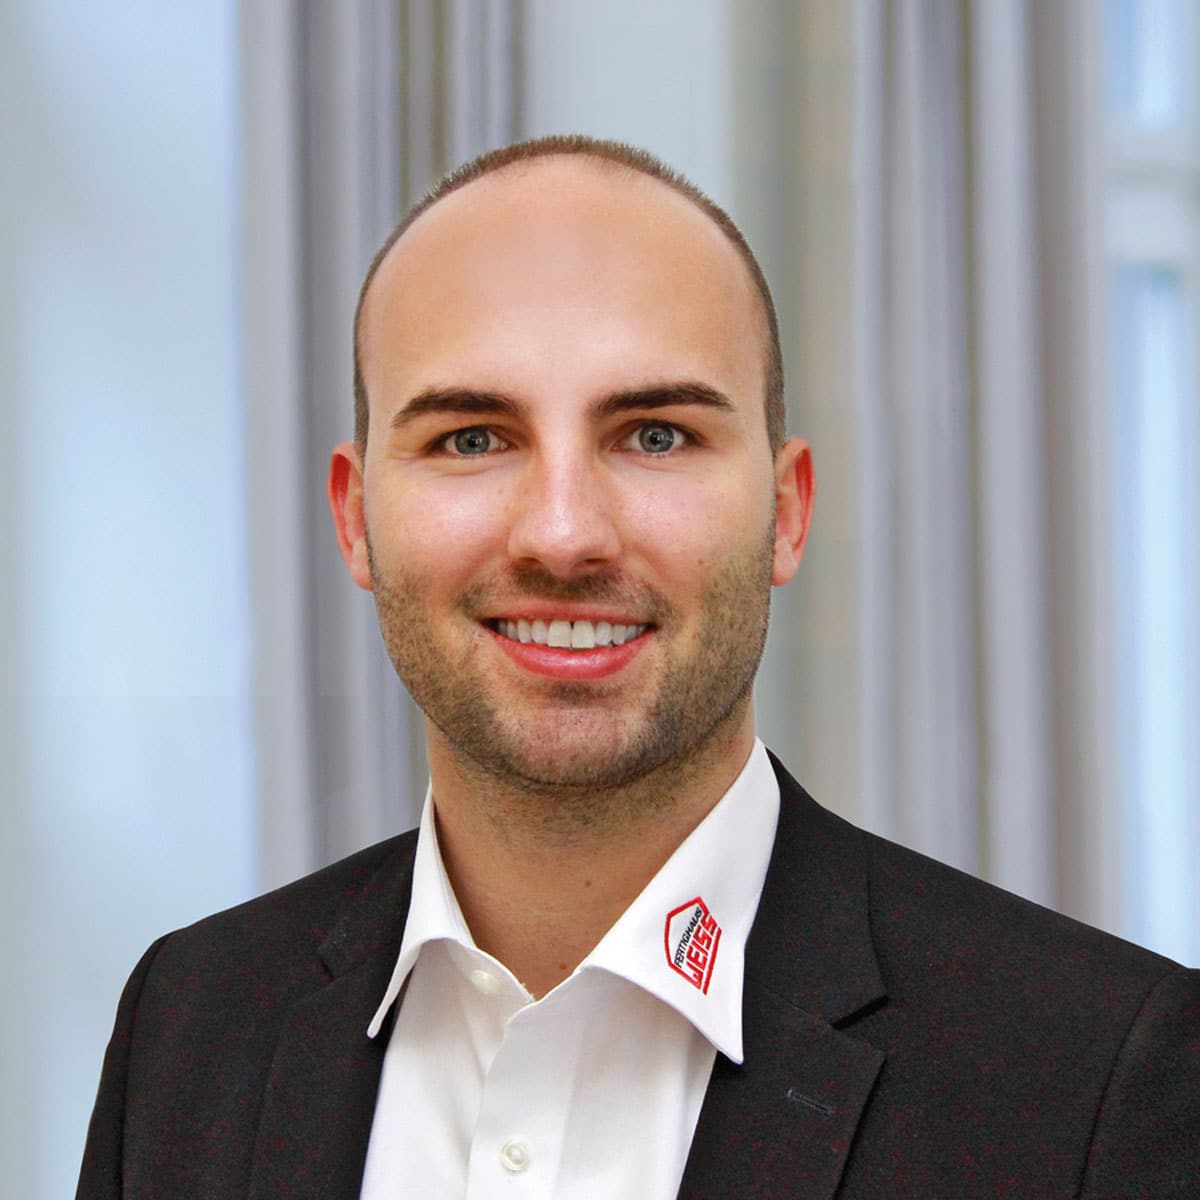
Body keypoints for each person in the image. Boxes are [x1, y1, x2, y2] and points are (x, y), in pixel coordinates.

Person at [77, 136, 1198, 1200]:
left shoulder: (1099, 1076)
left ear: (786, 512)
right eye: (472, 438)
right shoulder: (190, 1025)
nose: (563, 535)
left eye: (656, 434)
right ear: (354, 518)